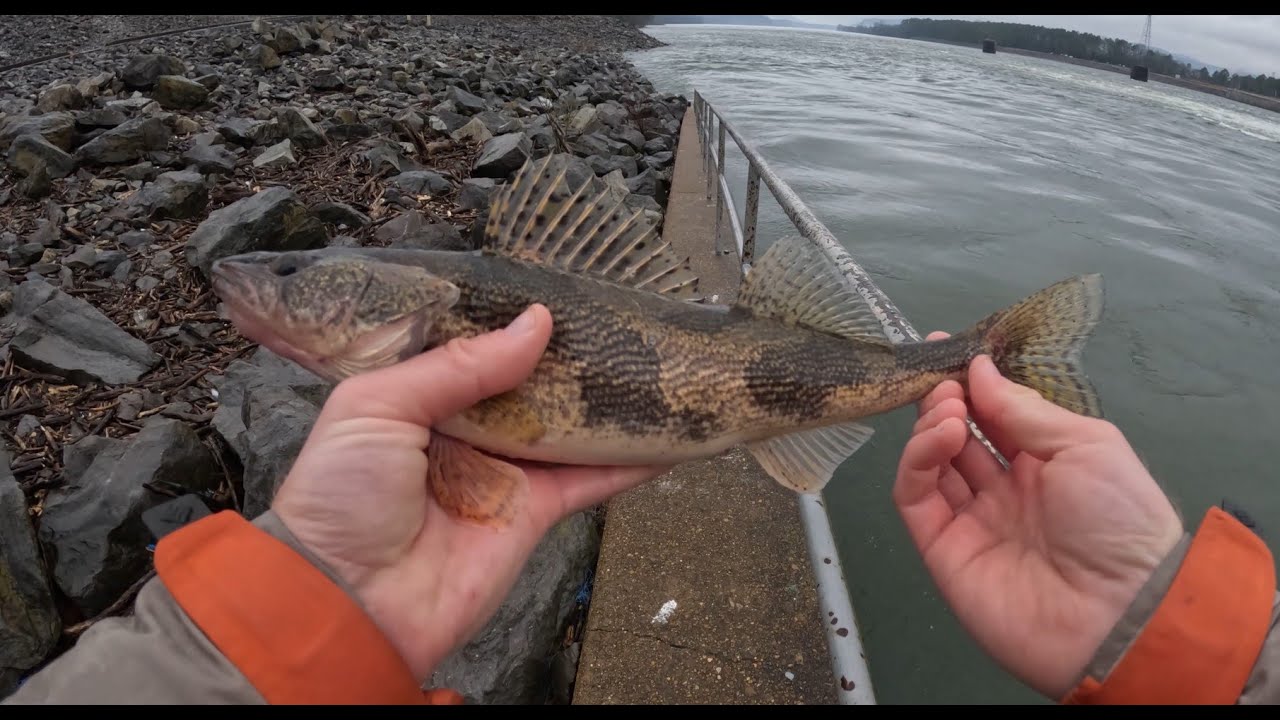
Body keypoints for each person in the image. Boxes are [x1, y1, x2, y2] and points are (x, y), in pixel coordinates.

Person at [2, 306, 1276, 705]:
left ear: (409, 312)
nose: (259, 287)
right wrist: (1168, 633)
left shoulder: (444, 343)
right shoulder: (411, 375)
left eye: (297, 278)